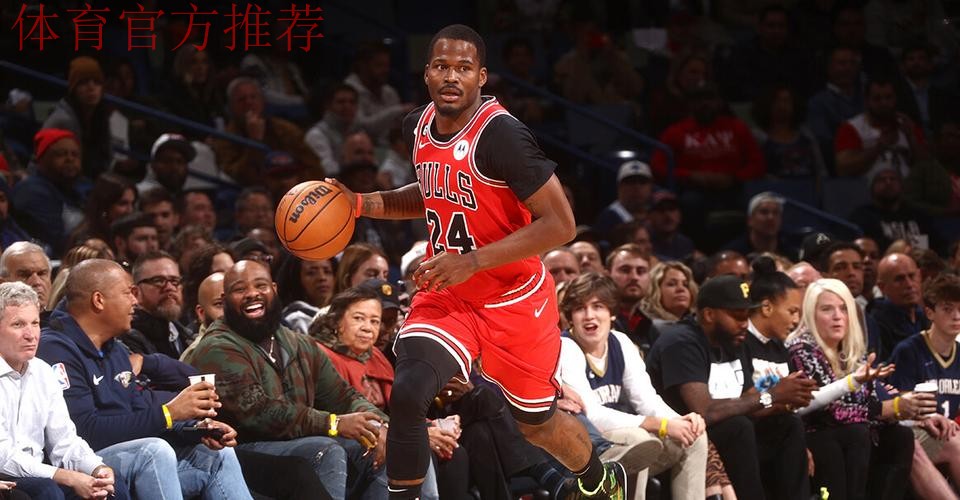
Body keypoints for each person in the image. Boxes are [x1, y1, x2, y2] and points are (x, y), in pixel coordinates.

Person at [327, 24, 630, 499]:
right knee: (408, 392)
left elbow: (561, 224)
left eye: (463, 68)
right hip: (450, 293)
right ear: (427, 73)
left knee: (535, 424)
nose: (451, 76)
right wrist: (362, 203)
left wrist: (472, 261)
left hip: (514, 298)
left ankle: (598, 478)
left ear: (481, 77)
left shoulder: (502, 135)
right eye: (442, 66)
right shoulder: (417, 126)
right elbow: (431, 192)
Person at [35, 259, 253, 500]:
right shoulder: (55, 349)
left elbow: (138, 411)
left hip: (130, 462)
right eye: (127, 293)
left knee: (216, 455)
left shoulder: (115, 350)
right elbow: (84, 431)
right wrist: (169, 413)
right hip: (81, 469)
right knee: (153, 451)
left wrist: (195, 430)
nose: (135, 301)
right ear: (99, 300)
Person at [183, 260, 391, 500]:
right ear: (226, 299)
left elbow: (343, 397)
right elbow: (259, 412)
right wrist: (332, 423)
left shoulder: (298, 343)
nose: (252, 293)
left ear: (274, 289)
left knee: (385, 447)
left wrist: (381, 426)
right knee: (325, 450)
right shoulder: (216, 347)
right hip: (242, 452)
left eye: (260, 285)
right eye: (240, 289)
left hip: (299, 441)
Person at [645, 275, 815, 500]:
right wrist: (772, 395)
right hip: (681, 437)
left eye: (746, 316)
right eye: (737, 316)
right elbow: (704, 411)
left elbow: (748, 400)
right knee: (738, 426)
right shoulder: (681, 342)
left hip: (729, 434)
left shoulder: (733, 341)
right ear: (709, 314)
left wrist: (784, 402)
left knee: (787, 425)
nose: (744, 324)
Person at [558, 273, 708, 500]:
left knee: (694, 437)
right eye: (580, 309)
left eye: (598, 306)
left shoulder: (621, 342)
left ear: (611, 312)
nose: (589, 316)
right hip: (586, 448)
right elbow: (592, 415)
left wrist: (680, 420)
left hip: (624, 439)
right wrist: (659, 425)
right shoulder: (566, 347)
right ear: (571, 317)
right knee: (641, 440)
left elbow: (646, 399)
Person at [787, 278, 920, 500]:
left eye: (843, 308)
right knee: (855, 432)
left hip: (853, 437)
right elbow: (830, 412)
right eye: (827, 309)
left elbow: (873, 398)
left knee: (900, 436)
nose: (837, 316)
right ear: (811, 314)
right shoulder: (801, 350)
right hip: (816, 435)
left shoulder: (851, 353)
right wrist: (885, 409)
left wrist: (911, 411)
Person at [0, 282, 129, 500]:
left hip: (39, 473)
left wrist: (97, 468)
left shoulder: (43, 371)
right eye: (18, 324)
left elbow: (64, 440)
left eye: (35, 323)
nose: (31, 335)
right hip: (7, 475)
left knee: (112, 486)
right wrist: (65, 476)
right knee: (46, 491)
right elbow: (3, 457)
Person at [888, 272, 960, 498]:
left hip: (947, 431)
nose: (957, 316)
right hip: (913, 432)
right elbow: (897, 407)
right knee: (954, 443)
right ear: (930, 313)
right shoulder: (908, 351)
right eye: (948, 309)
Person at [835, 78, 928, 179]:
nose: (884, 103)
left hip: (907, 186)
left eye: (888, 97)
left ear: (896, 98)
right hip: (867, 187)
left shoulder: (907, 124)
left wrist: (911, 138)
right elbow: (843, 169)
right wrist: (878, 148)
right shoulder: (852, 128)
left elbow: (926, 168)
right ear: (866, 101)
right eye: (877, 98)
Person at [12, 129, 84, 257]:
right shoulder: (31, 191)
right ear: (42, 158)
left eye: (75, 154)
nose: (70, 159)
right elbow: (59, 244)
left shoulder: (74, 192)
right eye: (61, 154)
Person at [122, 251, 193, 359]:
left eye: (174, 281)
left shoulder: (185, 334)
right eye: (158, 281)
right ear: (136, 292)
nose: (169, 287)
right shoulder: (127, 337)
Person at [869, 253, 929, 361]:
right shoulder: (876, 323)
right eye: (899, 279)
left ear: (920, 276)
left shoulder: (926, 316)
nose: (909, 284)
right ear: (882, 287)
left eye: (912, 276)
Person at [604, 244, 655, 356]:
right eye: (625, 270)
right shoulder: (598, 320)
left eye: (641, 271)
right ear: (607, 276)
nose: (634, 277)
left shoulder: (651, 326)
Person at [593, 161, 654, 242]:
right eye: (630, 182)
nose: (637, 187)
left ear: (650, 187)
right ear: (619, 187)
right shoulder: (609, 218)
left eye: (642, 182)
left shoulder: (657, 214)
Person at [0, 242, 52, 313]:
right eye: (25, 275)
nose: (36, 282)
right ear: (3, 283)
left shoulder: (61, 318)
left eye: (41, 274)